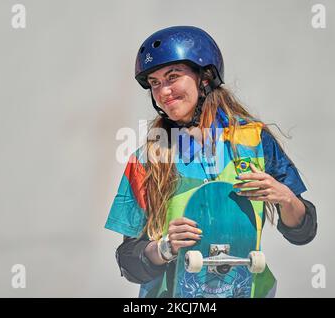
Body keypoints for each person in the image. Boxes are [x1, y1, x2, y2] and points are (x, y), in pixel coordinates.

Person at [105, 26, 317, 298]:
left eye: (172, 77)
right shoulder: (147, 159)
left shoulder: (254, 140)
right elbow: (129, 261)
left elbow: (303, 231)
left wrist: (287, 199)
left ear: (205, 77)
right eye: (155, 82)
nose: (163, 91)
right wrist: (163, 249)